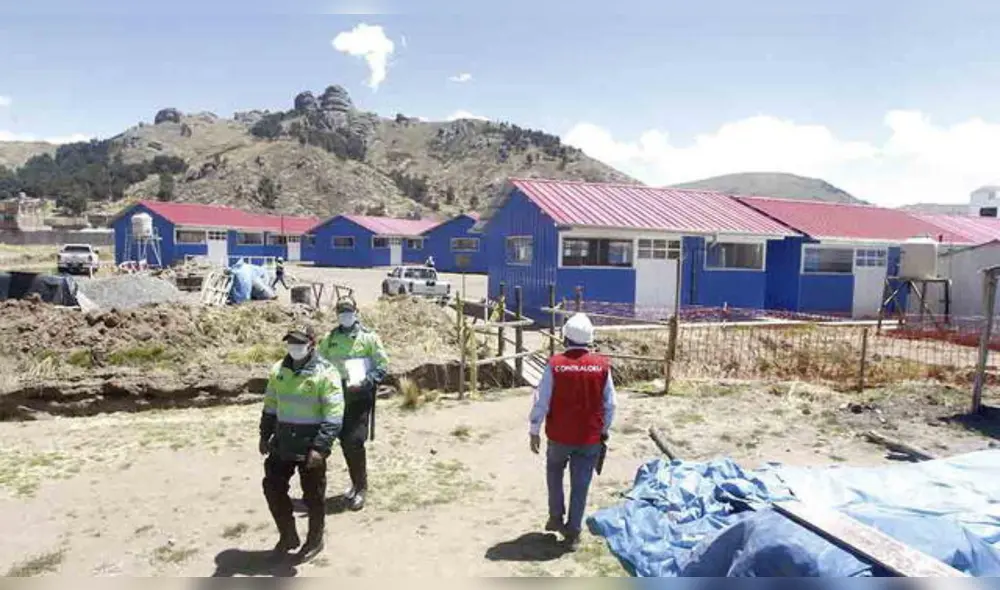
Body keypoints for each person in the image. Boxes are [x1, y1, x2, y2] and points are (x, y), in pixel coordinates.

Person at [528, 313, 617, 550]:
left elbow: (541, 399)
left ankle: (555, 517)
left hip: (559, 435)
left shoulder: (555, 364)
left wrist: (534, 428)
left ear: (566, 337)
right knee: (581, 483)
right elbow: (611, 404)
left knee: (554, 474)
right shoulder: (601, 365)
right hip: (589, 438)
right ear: (589, 339)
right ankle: (574, 531)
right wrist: (603, 430)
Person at [260, 324, 344, 563]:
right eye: (290, 342)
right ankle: (288, 535)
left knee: (313, 496)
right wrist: (264, 435)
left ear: (311, 344)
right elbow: (270, 405)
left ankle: (315, 539)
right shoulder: (278, 370)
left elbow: (334, 414)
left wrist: (321, 447)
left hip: (311, 444)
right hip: (283, 441)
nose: (294, 347)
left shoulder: (326, 372)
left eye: (299, 342)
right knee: (272, 488)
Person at [317, 297, 389, 511]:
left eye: (348, 311)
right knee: (343, 441)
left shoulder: (368, 337)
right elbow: (320, 362)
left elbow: (382, 364)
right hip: (337, 395)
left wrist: (370, 380)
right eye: (341, 311)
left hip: (359, 396)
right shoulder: (330, 339)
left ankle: (361, 487)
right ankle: (354, 483)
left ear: (356, 311)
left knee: (355, 442)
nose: (345, 315)